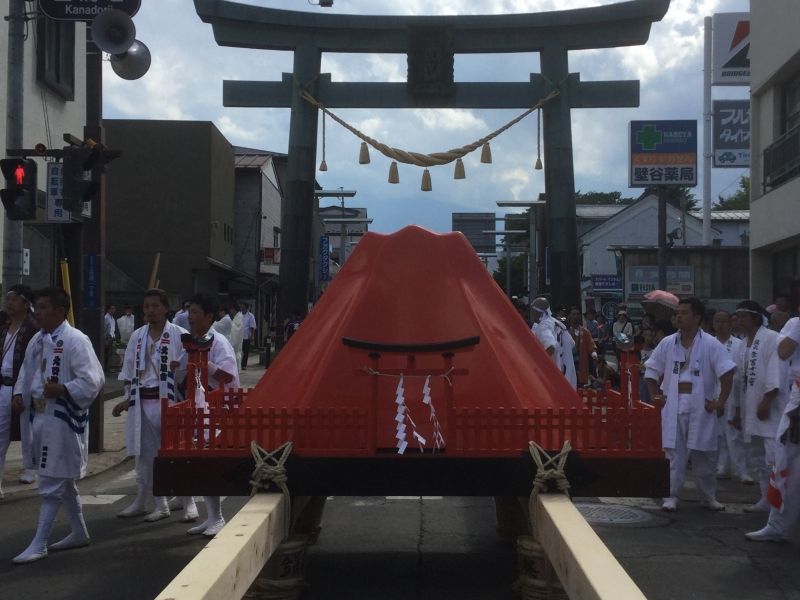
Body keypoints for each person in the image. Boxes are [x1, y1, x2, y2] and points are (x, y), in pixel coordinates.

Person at [11, 288, 105, 563]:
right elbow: (26, 372)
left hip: (62, 417)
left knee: (52, 481)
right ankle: (78, 531)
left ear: (59, 311)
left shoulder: (76, 340)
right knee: (60, 479)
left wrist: (63, 388)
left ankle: (39, 543)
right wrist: (20, 393)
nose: (37, 313)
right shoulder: (38, 340)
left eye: (42, 307)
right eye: (36, 307)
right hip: (38, 416)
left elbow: (93, 380)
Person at [112, 289, 196, 523]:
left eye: (155, 306)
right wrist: (127, 397)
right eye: (147, 306)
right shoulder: (138, 336)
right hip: (142, 402)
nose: (150, 310)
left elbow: (189, 372)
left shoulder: (180, 334)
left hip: (170, 402)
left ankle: (188, 501)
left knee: (176, 454)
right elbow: (129, 371)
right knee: (146, 456)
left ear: (166, 308)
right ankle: (155, 503)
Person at [644, 297, 735, 512]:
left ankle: (707, 496)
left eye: (684, 313)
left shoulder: (711, 344)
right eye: (678, 313)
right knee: (674, 454)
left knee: (705, 455)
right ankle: (671, 496)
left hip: (701, 405)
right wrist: (655, 395)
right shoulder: (667, 342)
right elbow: (651, 371)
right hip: (673, 404)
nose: (679, 316)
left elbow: (727, 373)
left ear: (697, 317)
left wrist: (720, 401)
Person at [185, 293, 240, 537]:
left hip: (214, 409)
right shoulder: (190, 341)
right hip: (195, 408)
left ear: (209, 317)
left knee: (209, 462)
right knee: (200, 463)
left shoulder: (218, 342)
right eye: (189, 311)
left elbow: (229, 377)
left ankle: (217, 516)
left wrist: (208, 367)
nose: (190, 316)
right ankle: (211, 516)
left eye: (196, 312)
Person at [746, 312, 800, 541]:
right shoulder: (795, 324)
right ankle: (778, 526)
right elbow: (784, 352)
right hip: (798, 401)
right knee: (787, 462)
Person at [733, 300, 788, 513]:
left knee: (773, 454)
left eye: (743, 316)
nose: (738, 320)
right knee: (757, 456)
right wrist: (737, 410)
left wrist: (767, 399)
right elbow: (739, 380)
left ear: (755, 318)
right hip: (749, 406)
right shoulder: (742, 344)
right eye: (737, 317)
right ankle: (766, 498)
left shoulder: (772, 338)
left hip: (769, 407)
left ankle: (780, 502)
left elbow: (776, 372)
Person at [0, 285, 39, 492]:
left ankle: (30, 467)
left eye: (13, 299)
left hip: (23, 385)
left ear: (25, 303)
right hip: (3, 385)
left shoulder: (32, 327)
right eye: (8, 299)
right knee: (1, 433)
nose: (9, 303)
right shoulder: (5, 326)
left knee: (27, 429)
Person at [712, 310, 750, 484]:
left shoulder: (739, 344)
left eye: (724, 321)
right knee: (717, 433)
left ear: (730, 323)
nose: (721, 325)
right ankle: (722, 466)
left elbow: (742, 372)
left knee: (735, 434)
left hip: (733, 393)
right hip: (713, 393)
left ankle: (741, 470)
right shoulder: (708, 343)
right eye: (717, 321)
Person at [531, 297, 577, 388]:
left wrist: (540, 366)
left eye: (532, 311)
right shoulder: (558, 323)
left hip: (554, 376)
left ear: (538, 312)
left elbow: (550, 346)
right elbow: (572, 344)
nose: (531, 313)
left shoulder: (543, 326)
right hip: (568, 373)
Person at [567, 307, 597, 388]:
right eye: (573, 314)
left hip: (581, 361)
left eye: (577, 314)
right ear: (570, 316)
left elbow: (590, 343)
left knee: (580, 384)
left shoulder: (585, 331)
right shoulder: (565, 331)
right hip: (568, 361)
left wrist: (593, 352)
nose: (575, 316)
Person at [240, 302, 257, 370]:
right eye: (241, 307)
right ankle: (239, 363)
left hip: (246, 336)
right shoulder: (239, 315)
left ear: (246, 308)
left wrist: (252, 336)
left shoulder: (250, 316)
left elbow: (252, 327)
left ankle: (244, 365)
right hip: (238, 336)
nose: (242, 308)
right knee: (239, 350)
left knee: (245, 351)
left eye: (243, 307)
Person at [228, 303, 244, 371]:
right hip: (237, 337)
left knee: (236, 352)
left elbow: (237, 328)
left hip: (237, 337)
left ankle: (237, 369)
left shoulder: (239, 316)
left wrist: (230, 323)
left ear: (234, 310)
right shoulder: (237, 317)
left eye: (231, 310)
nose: (230, 311)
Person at [104, 304, 118, 372]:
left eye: (114, 309)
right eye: (112, 308)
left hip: (112, 337)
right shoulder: (106, 317)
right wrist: (106, 338)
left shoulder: (113, 318)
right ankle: (106, 368)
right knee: (106, 353)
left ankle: (109, 368)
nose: (113, 310)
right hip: (107, 337)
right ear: (108, 309)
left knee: (110, 354)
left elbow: (113, 329)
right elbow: (104, 329)